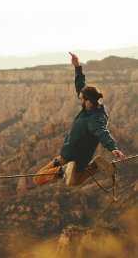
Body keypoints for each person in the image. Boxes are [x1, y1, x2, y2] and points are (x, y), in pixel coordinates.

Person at [34, 52, 124, 187]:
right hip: (81, 161)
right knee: (75, 181)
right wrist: (78, 67)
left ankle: (64, 169)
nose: (78, 101)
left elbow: (102, 132)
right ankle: (95, 165)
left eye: (80, 99)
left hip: (68, 158)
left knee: (37, 179)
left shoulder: (94, 120)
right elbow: (80, 86)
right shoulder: (95, 109)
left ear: (87, 102)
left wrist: (112, 147)